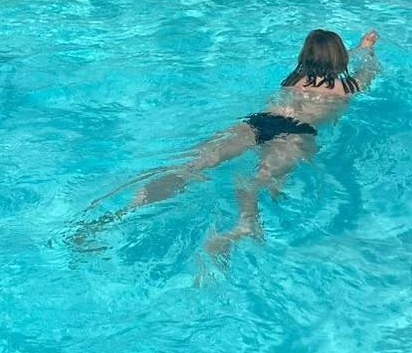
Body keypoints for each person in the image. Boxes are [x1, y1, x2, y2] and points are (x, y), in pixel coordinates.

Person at [80, 28, 381, 261]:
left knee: (192, 165)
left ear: (305, 57)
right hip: (296, 133)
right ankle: (243, 225)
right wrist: (366, 50)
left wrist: (357, 48)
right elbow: (367, 70)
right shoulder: (347, 87)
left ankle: (120, 213)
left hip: (260, 121)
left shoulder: (293, 79)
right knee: (257, 181)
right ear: (341, 57)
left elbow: (322, 66)